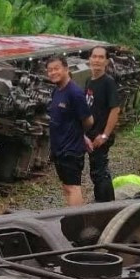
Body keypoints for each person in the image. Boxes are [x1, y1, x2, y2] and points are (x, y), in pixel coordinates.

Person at [45, 55, 94, 206]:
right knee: (66, 186)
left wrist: (80, 135)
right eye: (50, 70)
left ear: (66, 69)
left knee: (73, 187)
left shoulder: (75, 93)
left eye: (56, 69)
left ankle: (78, 222)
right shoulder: (57, 91)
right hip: (59, 148)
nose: (53, 73)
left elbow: (89, 120)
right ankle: (73, 218)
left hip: (71, 149)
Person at [83, 46, 121, 202]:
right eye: (94, 56)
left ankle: (105, 205)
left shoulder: (108, 83)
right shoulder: (89, 81)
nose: (97, 60)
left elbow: (115, 110)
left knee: (100, 172)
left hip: (100, 136)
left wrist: (105, 135)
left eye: (101, 57)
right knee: (96, 172)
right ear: (89, 59)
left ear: (106, 61)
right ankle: (103, 203)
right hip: (91, 135)